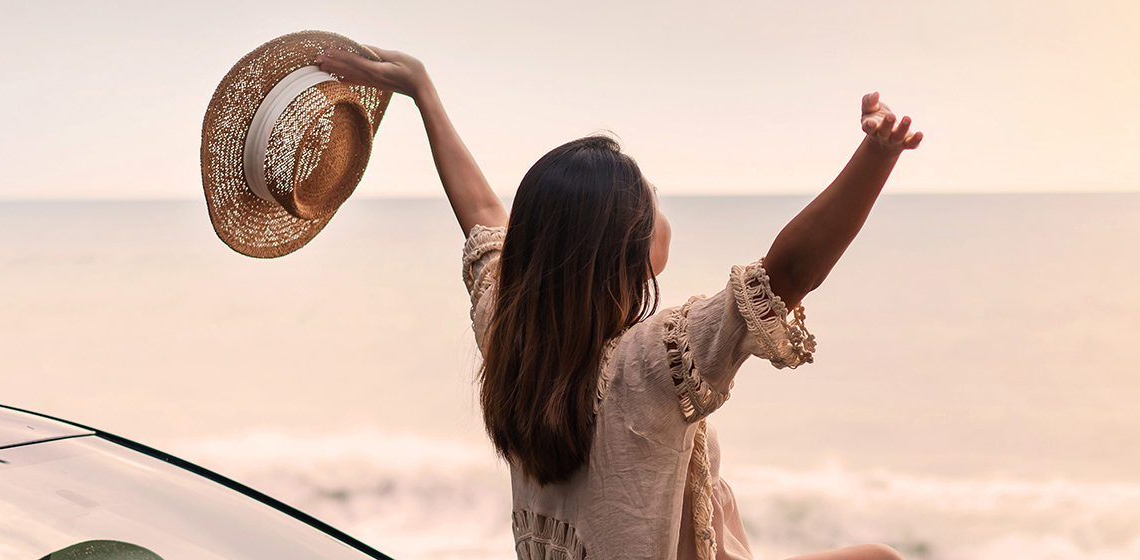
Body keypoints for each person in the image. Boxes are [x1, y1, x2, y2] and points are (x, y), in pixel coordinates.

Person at [315, 46, 922, 560]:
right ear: (625, 249)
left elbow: (481, 220)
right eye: (651, 200)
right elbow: (787, 273)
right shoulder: (651, 365)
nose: (662, 207)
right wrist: (877, 156)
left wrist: (424, 92)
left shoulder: (511, 332)